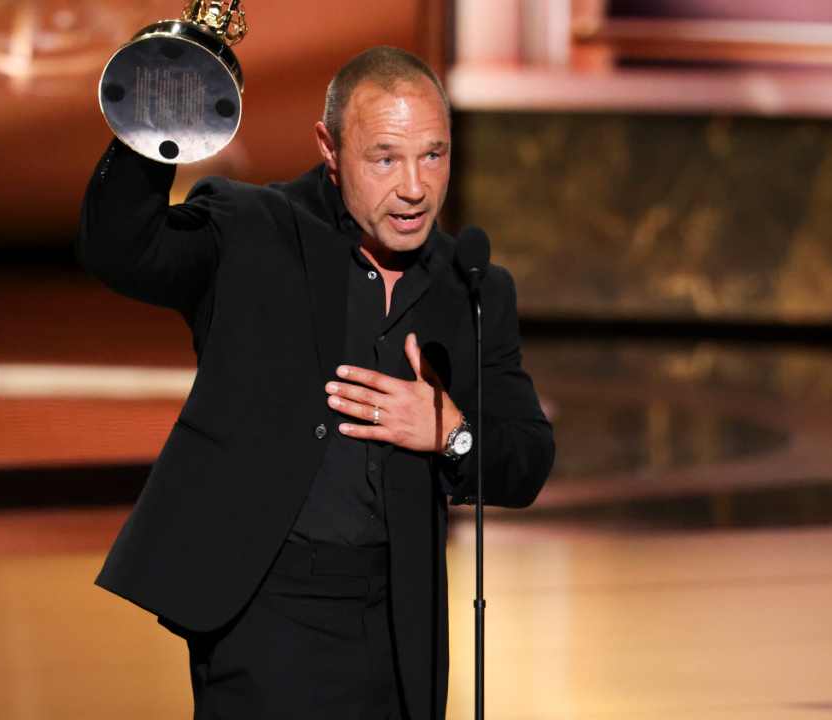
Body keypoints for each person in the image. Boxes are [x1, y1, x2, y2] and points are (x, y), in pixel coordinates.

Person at [77, 46, 554, 720]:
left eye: (433, 155)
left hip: (402, 625)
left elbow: (527, 461)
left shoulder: (471, 286)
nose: (414, 187)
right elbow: (120, 247)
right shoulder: (251, 229)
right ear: (330, 148)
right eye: (384, 159)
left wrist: (452, 434)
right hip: (264, 614)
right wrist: (166, 99)